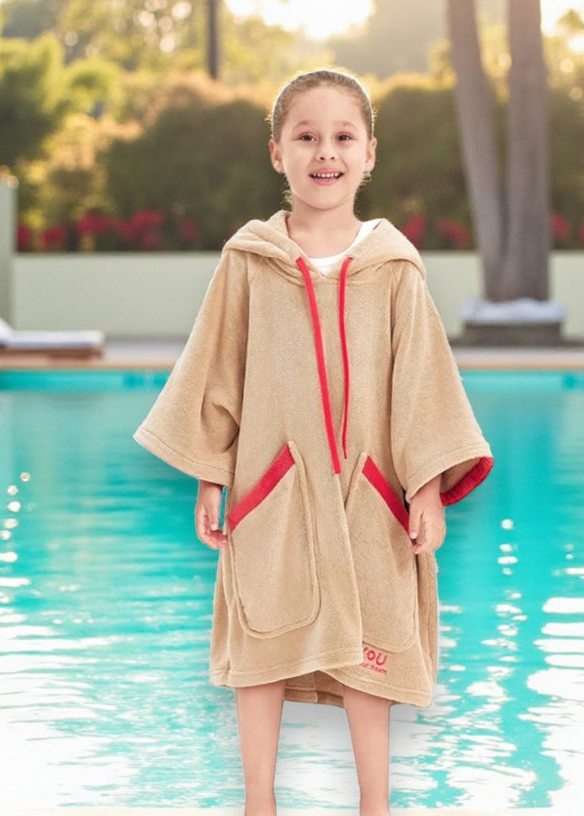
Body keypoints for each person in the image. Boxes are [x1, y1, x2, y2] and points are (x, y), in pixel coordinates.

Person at [134, 69, 492, 816]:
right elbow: (217, 369)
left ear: (369, 154)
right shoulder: (247, 262)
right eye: (306, 136)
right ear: (277, 153)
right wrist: (211, 475)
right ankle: (258, 802)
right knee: (261, 649)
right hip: (274, 490)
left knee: (371, 651)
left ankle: (375, 804)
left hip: (371, 493)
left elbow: (421, 382)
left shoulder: (395, 270)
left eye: (342, 137)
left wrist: (425, 487)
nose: (325, 152)